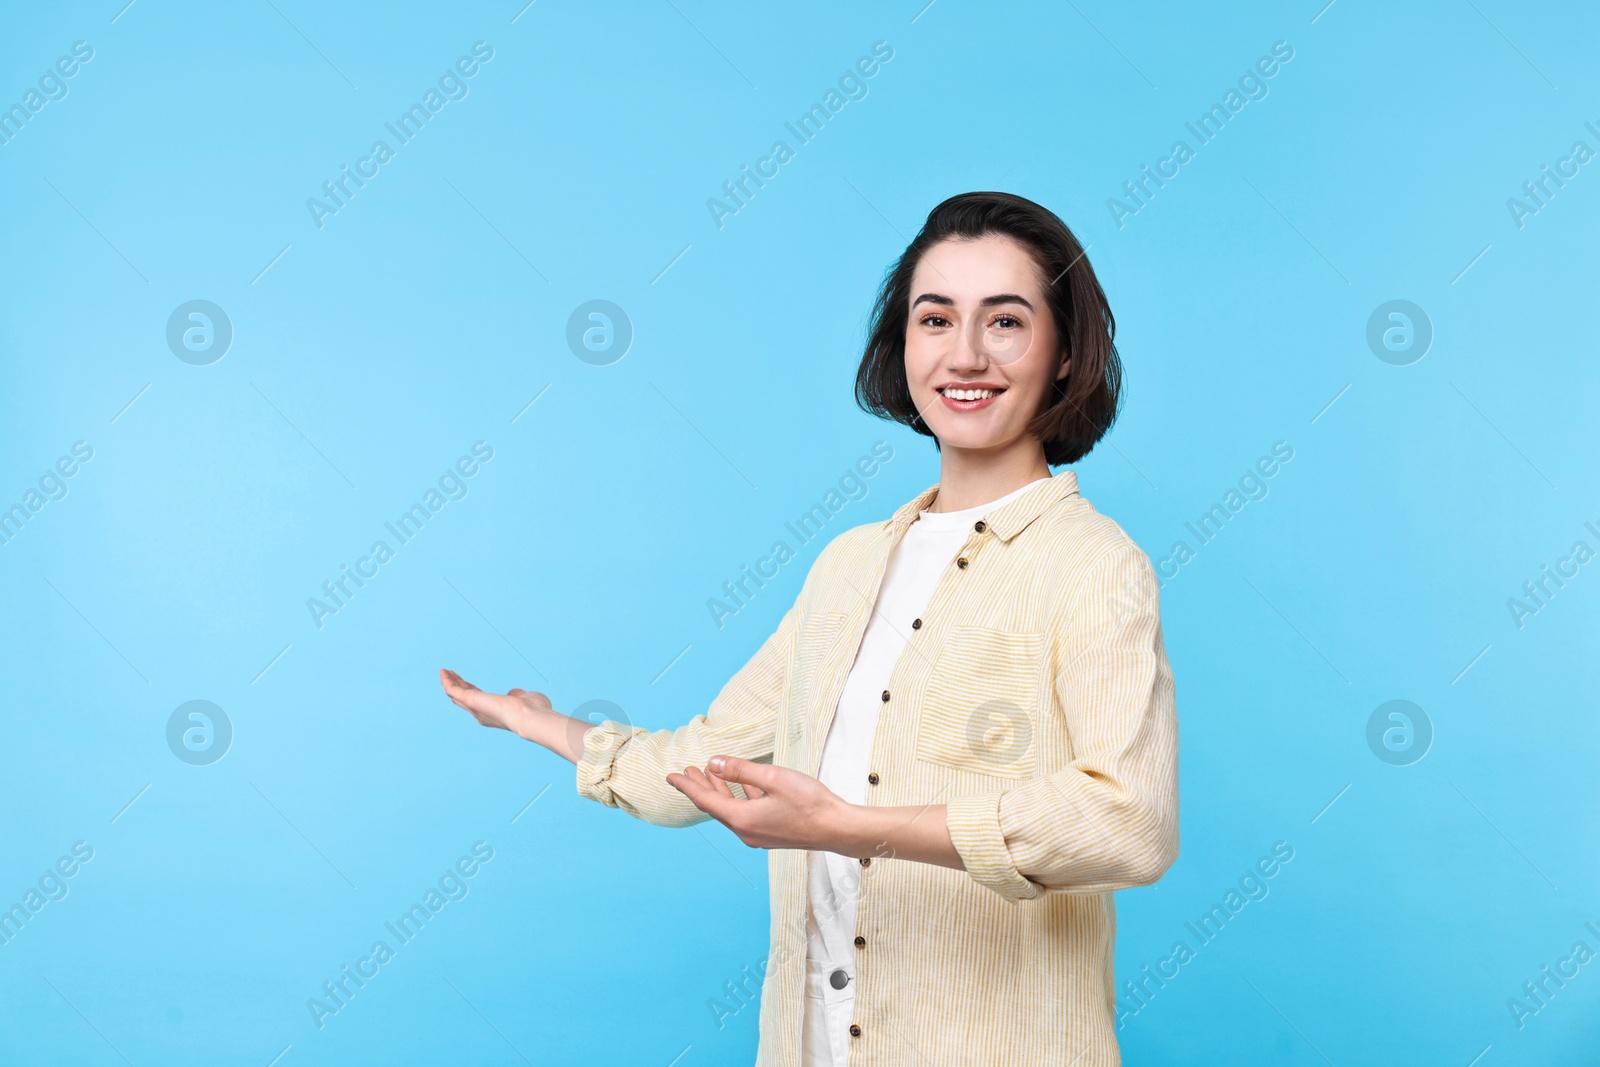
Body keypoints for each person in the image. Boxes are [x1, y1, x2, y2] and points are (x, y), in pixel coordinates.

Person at [440, 190, 1179, 1066]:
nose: (965, 354)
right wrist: (545, 725)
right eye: (935, 319)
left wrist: (851, 827)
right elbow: (710, 761)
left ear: (1064, 353)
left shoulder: (1094, 565)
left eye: (1007, 321)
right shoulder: (848, 565)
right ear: (901, 344)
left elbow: (1130, 821)